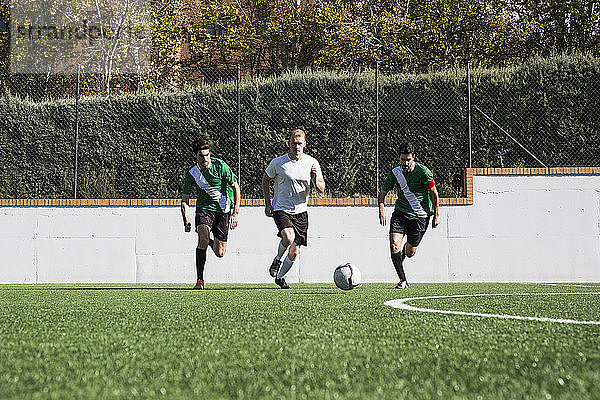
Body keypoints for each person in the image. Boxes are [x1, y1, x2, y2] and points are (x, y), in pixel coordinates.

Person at [262, 129, 325, 289]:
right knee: (288, 237)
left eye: (299, 143)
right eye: (294, 143)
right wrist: (268, 203)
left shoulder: (312, 163)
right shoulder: (278, 163)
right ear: (288, 143)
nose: (297, 146)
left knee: (294, 252)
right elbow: (265, 180)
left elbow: (322, 187)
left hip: (301, 212)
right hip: (281, 208)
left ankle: (280, 278)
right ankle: (277, 259)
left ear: (304, 144)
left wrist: (314, 181)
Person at [377, 142, 440, 289]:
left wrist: (436, 215)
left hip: (420, 216)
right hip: (400, 213)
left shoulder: (423, 172)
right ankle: (402, 280)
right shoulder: (395, 173)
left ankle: (404, 252)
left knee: (410, 252)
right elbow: (382, 193)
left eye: (408, 159)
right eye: (403, 159)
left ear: (413, 158)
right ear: (399, 158)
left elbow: (434, 193)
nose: (405, 163)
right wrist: (381, 209)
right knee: (394, 245)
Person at [181, 137, 240, 289]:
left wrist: (235, 213)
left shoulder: (221, 166)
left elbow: (236, 188)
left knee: (220, 253)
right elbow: (185, 200)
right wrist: (186, 220)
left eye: (207, 155)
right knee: (202, 237)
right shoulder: (192, 173)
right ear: (196, 156)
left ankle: (209, 242)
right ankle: (200, 280)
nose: (205, 158)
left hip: (223, 210)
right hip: (204, 209)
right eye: (201, 155)